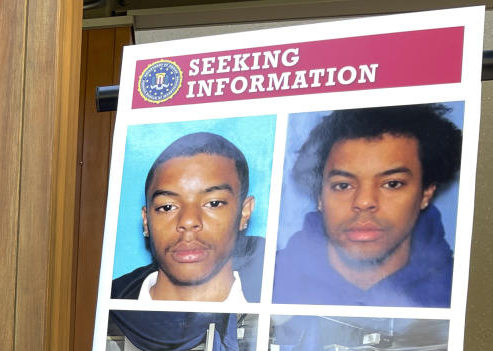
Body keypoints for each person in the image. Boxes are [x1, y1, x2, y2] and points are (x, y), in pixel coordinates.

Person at [273, 103, 461, 307]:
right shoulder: (266, 280)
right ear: (319, 195)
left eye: (392, 184)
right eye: (343, 185)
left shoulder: (463, 289)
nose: (364, 202)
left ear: (426, 192)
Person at [112, 132, 265, 302]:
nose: (188, 221)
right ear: (146, 220)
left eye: (213, 203)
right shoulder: (101, 307)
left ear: (245, 212)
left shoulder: (285, 308)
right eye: (167, 207)